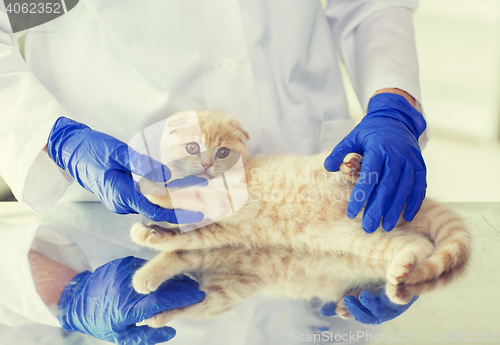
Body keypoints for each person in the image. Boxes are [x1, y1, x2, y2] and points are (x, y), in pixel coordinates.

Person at [0, 0, 427, 343]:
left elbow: (368, 5)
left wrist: (394, 102)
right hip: (118, 202)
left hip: (309, 195)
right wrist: (50, 136)